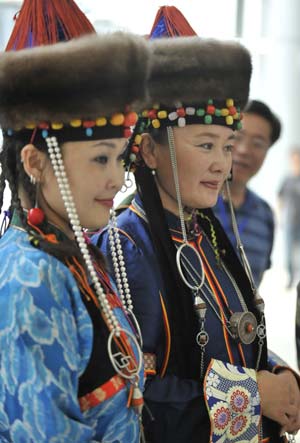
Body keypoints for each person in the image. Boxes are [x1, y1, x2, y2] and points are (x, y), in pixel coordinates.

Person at [94, 30, 300, 443]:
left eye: (227, 147)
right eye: (206, 145)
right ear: (149, 151)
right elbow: (131, 395)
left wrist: (277, 371)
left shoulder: (205, 232)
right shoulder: (124, 246)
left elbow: (227, 339)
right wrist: (254, 393)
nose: (222, 165)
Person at [0, 17, 150, 443]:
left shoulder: (72, 254)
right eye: (101, 159)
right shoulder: (32, 274)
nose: (117, 178)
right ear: (35, 162)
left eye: (120, 158)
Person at [213, 100, 281, 287]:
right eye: (236, 137)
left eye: (258, 144)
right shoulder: (193, 204)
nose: (244, 150)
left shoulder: (265, 214)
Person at [278, 148, 300, 289]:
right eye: (294, 160)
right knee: (288, 254)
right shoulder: (287, 180)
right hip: (290, 222)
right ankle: (291, 279)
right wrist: (280, 218)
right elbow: (280, 199)